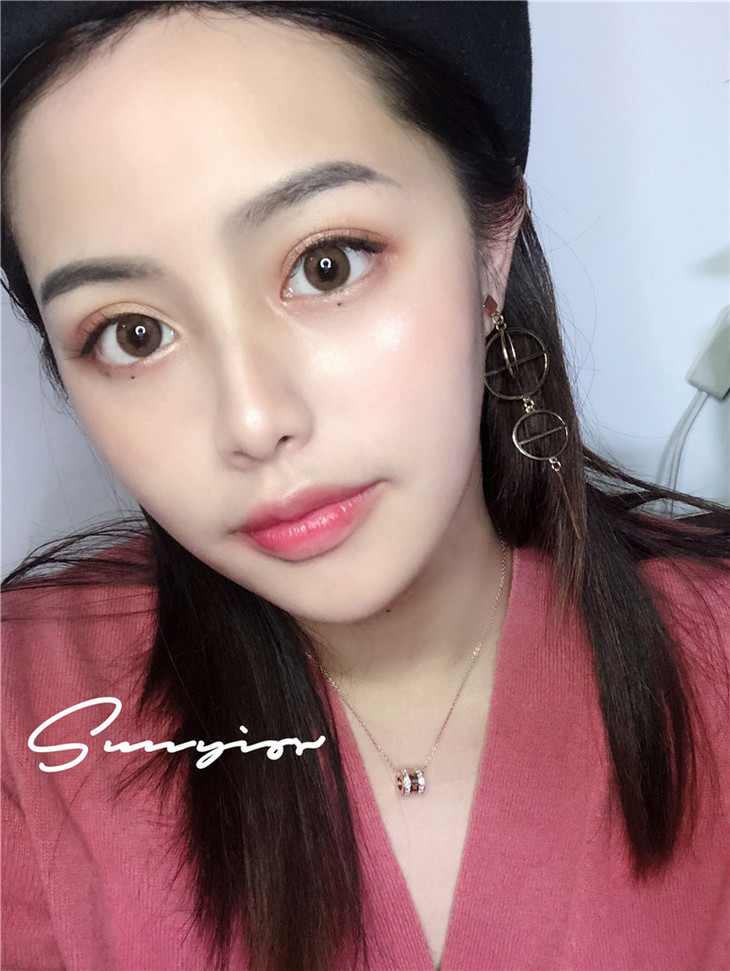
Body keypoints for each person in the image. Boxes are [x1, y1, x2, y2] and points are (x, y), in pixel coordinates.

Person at [1, 3, 728, 970]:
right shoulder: (26, 717)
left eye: (326, 264)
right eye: (134, 335)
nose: (252, 420)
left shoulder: (715, 657)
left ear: (490, 248)